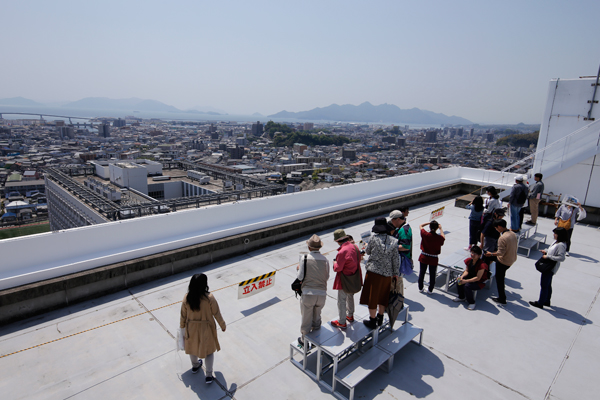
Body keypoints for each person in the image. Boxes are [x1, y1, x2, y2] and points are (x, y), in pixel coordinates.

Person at [180, 273, 226, 383]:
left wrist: (182, 327)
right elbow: (216, 313)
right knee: (209, 351)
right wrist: (222, 325)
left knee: (192, 347)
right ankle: (209, 375)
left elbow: (183, 315)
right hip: (206, 328)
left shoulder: (187, 297)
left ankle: (195, 366)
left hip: (191, 327)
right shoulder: (209, 297)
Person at [359, 217, 399, 329]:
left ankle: (372, 321)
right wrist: (395, 273)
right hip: (387, 274)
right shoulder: (394, 241)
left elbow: (368, 252)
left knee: (372, 297)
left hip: (373, 272)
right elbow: (395, 259)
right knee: (383, 296)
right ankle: (380, 317)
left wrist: (367, 246)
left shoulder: (373, 239)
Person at [297, 234, 330, 346]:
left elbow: (300, 277)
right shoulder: (325, 260)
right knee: (317, 317)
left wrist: (298, 268)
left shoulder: (305, 259)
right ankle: (317, 338)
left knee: (306, 317)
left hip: (308, 294)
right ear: (319, 247)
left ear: (309, 247)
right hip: (321, 294)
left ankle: (304, 339)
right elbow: (326, 277)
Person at [529, 228, 568, 309]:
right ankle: (546, 300)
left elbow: (561, 258)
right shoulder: (556, 242)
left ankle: (540, 303)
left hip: (550, 267)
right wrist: (546, 252)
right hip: (549, 265)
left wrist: (548, 256)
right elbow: (553, 252)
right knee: (548, 284)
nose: (554, 235)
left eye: (555, 233)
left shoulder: (561, 245)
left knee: (544, 285)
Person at [330, 229, 361, 329]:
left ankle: (342, 321)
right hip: (354, 276)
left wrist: (334, 263)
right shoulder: (354, 246)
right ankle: (350, 315)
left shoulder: (342, 252)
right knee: (350, 296)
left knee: (342, 300)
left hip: (344, 280)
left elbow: (337, 268)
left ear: (337, 241)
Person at [485, 219, 518, 305]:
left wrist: (491, 253)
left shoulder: (502, 238)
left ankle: (502, 298)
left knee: (500, 279)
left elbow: (500, 253)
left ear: (499, 227)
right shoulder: (512, 233)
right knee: (489, 259)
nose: (496, 229)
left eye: (496, 228)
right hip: (512, 258)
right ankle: (486, 273)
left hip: (504, 261)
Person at [453, 246, 489, 310]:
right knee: (459, 281)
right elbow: (466, 271)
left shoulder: (482, 265)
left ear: (479, 255)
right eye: (472, 252)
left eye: (475, 254)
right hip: (470, 276)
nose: (472, 255)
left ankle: (472, 302)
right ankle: (461, 297)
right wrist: (462, 277)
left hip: (478, 282)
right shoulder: (469, 260)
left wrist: (465, 281)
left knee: (467, 286)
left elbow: (478, 278)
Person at [417, 220, 446, 294]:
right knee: (432, 275)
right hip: (433, 258)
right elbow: (443, 237)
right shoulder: (439, 238)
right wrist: (441, 228)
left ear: (429, 227)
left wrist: (428, 223)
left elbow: (420, 225)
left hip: (424, 256)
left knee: (422, 273)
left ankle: (420, 288)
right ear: (436, 228)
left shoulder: (425, 234)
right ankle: (430, 290)